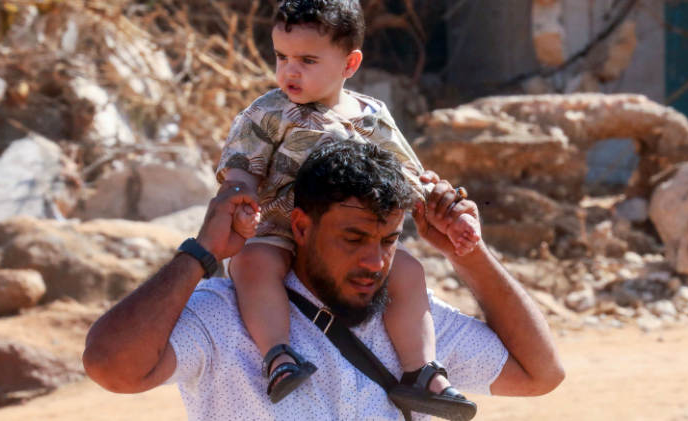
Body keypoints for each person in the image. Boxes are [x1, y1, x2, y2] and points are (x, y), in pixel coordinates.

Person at [82, 142, 564, 421]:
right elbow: (112, 366)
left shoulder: (413, 325)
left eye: (388, 240)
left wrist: (468, 251)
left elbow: (540, 373)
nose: (374, 261)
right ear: (300, 227)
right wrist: (201, 253)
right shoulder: (226, 317)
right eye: (353, 238)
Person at [214, 0, 481, 417]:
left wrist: (443, 207)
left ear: (350, 64)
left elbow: (407, 174)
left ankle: (422, 373)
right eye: (282, 57)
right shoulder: (268, 111)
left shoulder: (372, 116)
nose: (290, 71)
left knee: (409, 271)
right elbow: (242, 169)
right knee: (251, 264)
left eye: (307, 60)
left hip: (354, 238)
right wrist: (240, 201)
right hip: (279, 229)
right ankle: (279, 356)